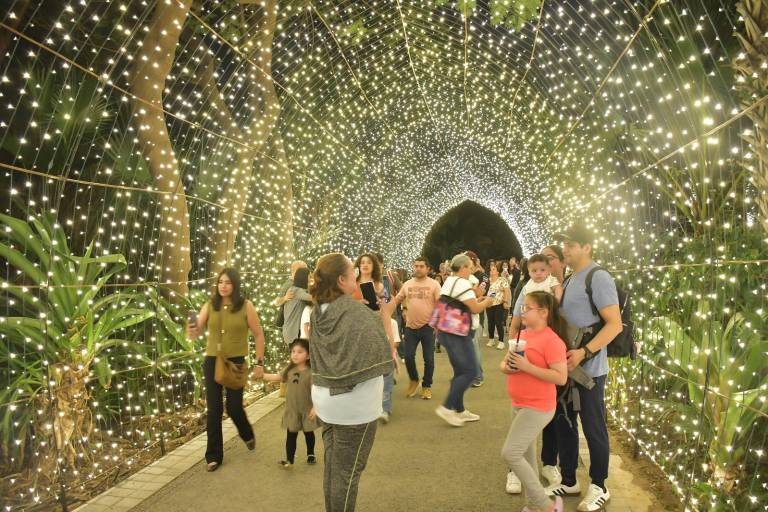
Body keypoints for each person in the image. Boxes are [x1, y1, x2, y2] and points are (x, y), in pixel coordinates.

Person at [544, 225, 622, 512]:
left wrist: (585, 351)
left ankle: (600, 485)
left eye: (572, 245)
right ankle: (569, 479)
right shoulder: (571, 278)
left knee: (593, 427)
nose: (565, 249)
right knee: (564, 423)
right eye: (565, 245)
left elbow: (614, 324)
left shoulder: (598, 277)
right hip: (565, 367)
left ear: (587, 247)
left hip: (589, 370)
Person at [309, 253, 394, 512]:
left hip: (326, 400)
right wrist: (382, 312)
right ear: (341, 280)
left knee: (334, 470)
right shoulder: (359, 314)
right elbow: (381, 350)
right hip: (355, 408)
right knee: (347, 474)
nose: (357, 277)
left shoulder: (317, 311)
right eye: (353, 273)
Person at [186, 268, 265, 472]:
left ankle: (246, 433)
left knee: (234, 407)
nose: (223, 286)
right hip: (213, 360)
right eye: (220, 281)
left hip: (236, 362)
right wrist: (192, 330)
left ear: (235, 285)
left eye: (228, 282)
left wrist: (259, 363)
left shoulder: (245, 306)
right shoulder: (210, 305)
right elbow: (196, 332)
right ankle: (213, 456)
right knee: (214, 409)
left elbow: (258, 334)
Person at [500, 291, 568, 512]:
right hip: (519, 402)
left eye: (527, 308)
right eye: (523, 307)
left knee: (510, 453)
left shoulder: (552, 341)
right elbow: (505, 365)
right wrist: (508, 366)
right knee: (527, 458)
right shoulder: (522, 335)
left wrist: (527, 366)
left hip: (538, 406)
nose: (523, 311)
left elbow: (560, 377)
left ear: (543, 312)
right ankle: (533, 506)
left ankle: (546, 505)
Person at [434, 253, 493, 427]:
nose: (472, 270)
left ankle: (459, 410)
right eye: (470, 267)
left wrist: (477, 300)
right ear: (463, 267)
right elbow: (474, 309)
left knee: (460, 371)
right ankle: (447, 407)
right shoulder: (462, 283)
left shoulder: (450, 281)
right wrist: (487, 302)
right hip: (458, 333)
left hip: (445, 330)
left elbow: (463, 302)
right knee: (470, 372)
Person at [261, 338, 320, 468]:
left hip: (306, 410)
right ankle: (289, 460)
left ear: (308, 355)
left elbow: (316, 391)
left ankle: (311, 453)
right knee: (291, 435)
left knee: (308, 433)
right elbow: (277, 377)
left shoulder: (311, 373)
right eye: (293, 351)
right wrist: (262, 375)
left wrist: (315, 407)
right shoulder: (289, 369)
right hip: (292, 410)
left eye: (299, 352)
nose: (295, 354)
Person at [394, 256, 441, 400]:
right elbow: (397, 300)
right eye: (416, 266)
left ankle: (426, 386)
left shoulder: (434, 284)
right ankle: (414, 380)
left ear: (428, 269)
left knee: (429, 359)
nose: (418, 268)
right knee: (408, 357)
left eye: (421, 266)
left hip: (428, 327)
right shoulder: (407, 284)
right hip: (410, 328)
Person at [539, 244, 567, 484]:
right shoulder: (532, 284)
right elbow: (518, 317)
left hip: (564, 359)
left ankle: (550, 462)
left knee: (558, 414)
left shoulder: (570, 285)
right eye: (543, 259)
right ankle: (515, 469)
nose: (546, 264)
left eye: (551, 258)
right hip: (538, 358)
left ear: (562, 262)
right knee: (528, 411)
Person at [464, 250, 488, 387]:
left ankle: (478, 376)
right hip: (461, 318)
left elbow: (479, 293)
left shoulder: (482, 276)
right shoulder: (462, 278)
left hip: (475, 318)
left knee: (473, 349)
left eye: (467, 261)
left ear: (474, 262)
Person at [282, 267, 313, 344]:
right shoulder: (296, 290)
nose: (311, 279)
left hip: (293, 330)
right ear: (304, 278)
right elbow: (314, 298)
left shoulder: (297, 290)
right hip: (293, 331)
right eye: (310, 277)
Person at [486, 262, 511, 350]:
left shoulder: (502, 280)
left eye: (493, 269)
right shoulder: (487, 280)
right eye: (491, 269)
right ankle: (491, 339)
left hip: (499, 304)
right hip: (489, 304)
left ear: (497, 272)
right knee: (490, 323)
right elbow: (491, 293)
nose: (491, 271)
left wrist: (505, 301)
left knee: (498, 322)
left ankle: (501, 341)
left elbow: (506, 291)